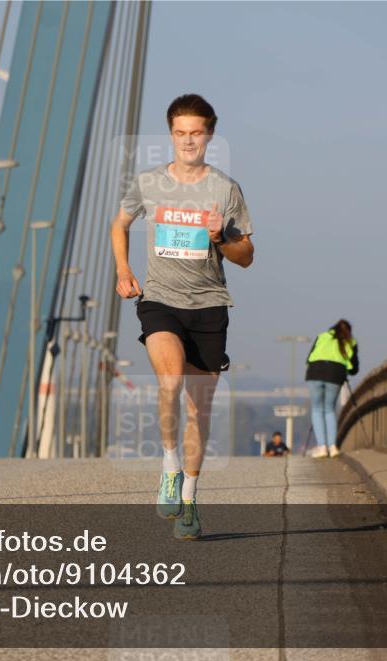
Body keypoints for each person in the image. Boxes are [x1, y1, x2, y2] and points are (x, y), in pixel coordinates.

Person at [112, 94, 254, 540]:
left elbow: (246, 256)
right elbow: (120, 223)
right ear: (170, 134)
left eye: (196, 133)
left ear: (210, 134)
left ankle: (190, 497)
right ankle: (169, 467)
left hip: (209, 306)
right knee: (169, 381)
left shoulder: (225, 189)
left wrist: (221, 235)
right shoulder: (149, 182)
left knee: (199, 409)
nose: (188, 140)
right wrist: (124, 270)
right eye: (180, 133)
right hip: (160, 301)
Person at [304, 320, 358, 459]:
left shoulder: (322, 336)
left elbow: (309, 358)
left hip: (315, 372)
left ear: (332, 329)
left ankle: (322, 447)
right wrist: (347, 371)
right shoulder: (350, 341)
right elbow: (354, 367)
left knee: (317, 409)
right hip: (335, 374)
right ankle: (332, 447)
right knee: (329, 410)